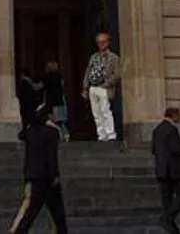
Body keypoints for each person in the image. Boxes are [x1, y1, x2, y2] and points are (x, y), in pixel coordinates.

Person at [10, 106, 70, 234]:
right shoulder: (52, 132)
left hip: (33, 176)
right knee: (57, 212)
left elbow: (21, 135)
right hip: (48, 177)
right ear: (49, 117)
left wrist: (32, 123)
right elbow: (51, 155)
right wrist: (55, 175)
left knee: (31, 210)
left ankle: (19, 231)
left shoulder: (31, 131)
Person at [152, 104, 180, 234]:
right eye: (179, 115)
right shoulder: (172, 129)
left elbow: (154, 150)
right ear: (173, 116)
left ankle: (171, 227)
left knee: (167, 200)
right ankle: (167, 218)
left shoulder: (157, 129)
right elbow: (176, 148)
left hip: (161, 170)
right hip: (175, 170)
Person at [84, 32, 123, 142]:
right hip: (93, 87)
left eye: (103, 42)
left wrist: (108, 83)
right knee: (96, 112)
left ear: (108, 42)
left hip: (104, 87)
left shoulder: (113, 57)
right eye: (99, 42)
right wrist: (85, 87)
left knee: (105, 110)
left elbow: (117, 73)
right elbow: (88, 71)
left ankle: (111, 134)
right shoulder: (94, 57)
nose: (101, 44)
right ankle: (101, 135)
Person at [41, 59, 68, 133]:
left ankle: (59, 134)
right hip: (60, 101)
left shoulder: (46, 77)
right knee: (61, 121)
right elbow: (63, 87)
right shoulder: (60, 76)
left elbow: (41, 87)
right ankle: (66, 134)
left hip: (51, 102)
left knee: (53, 121)